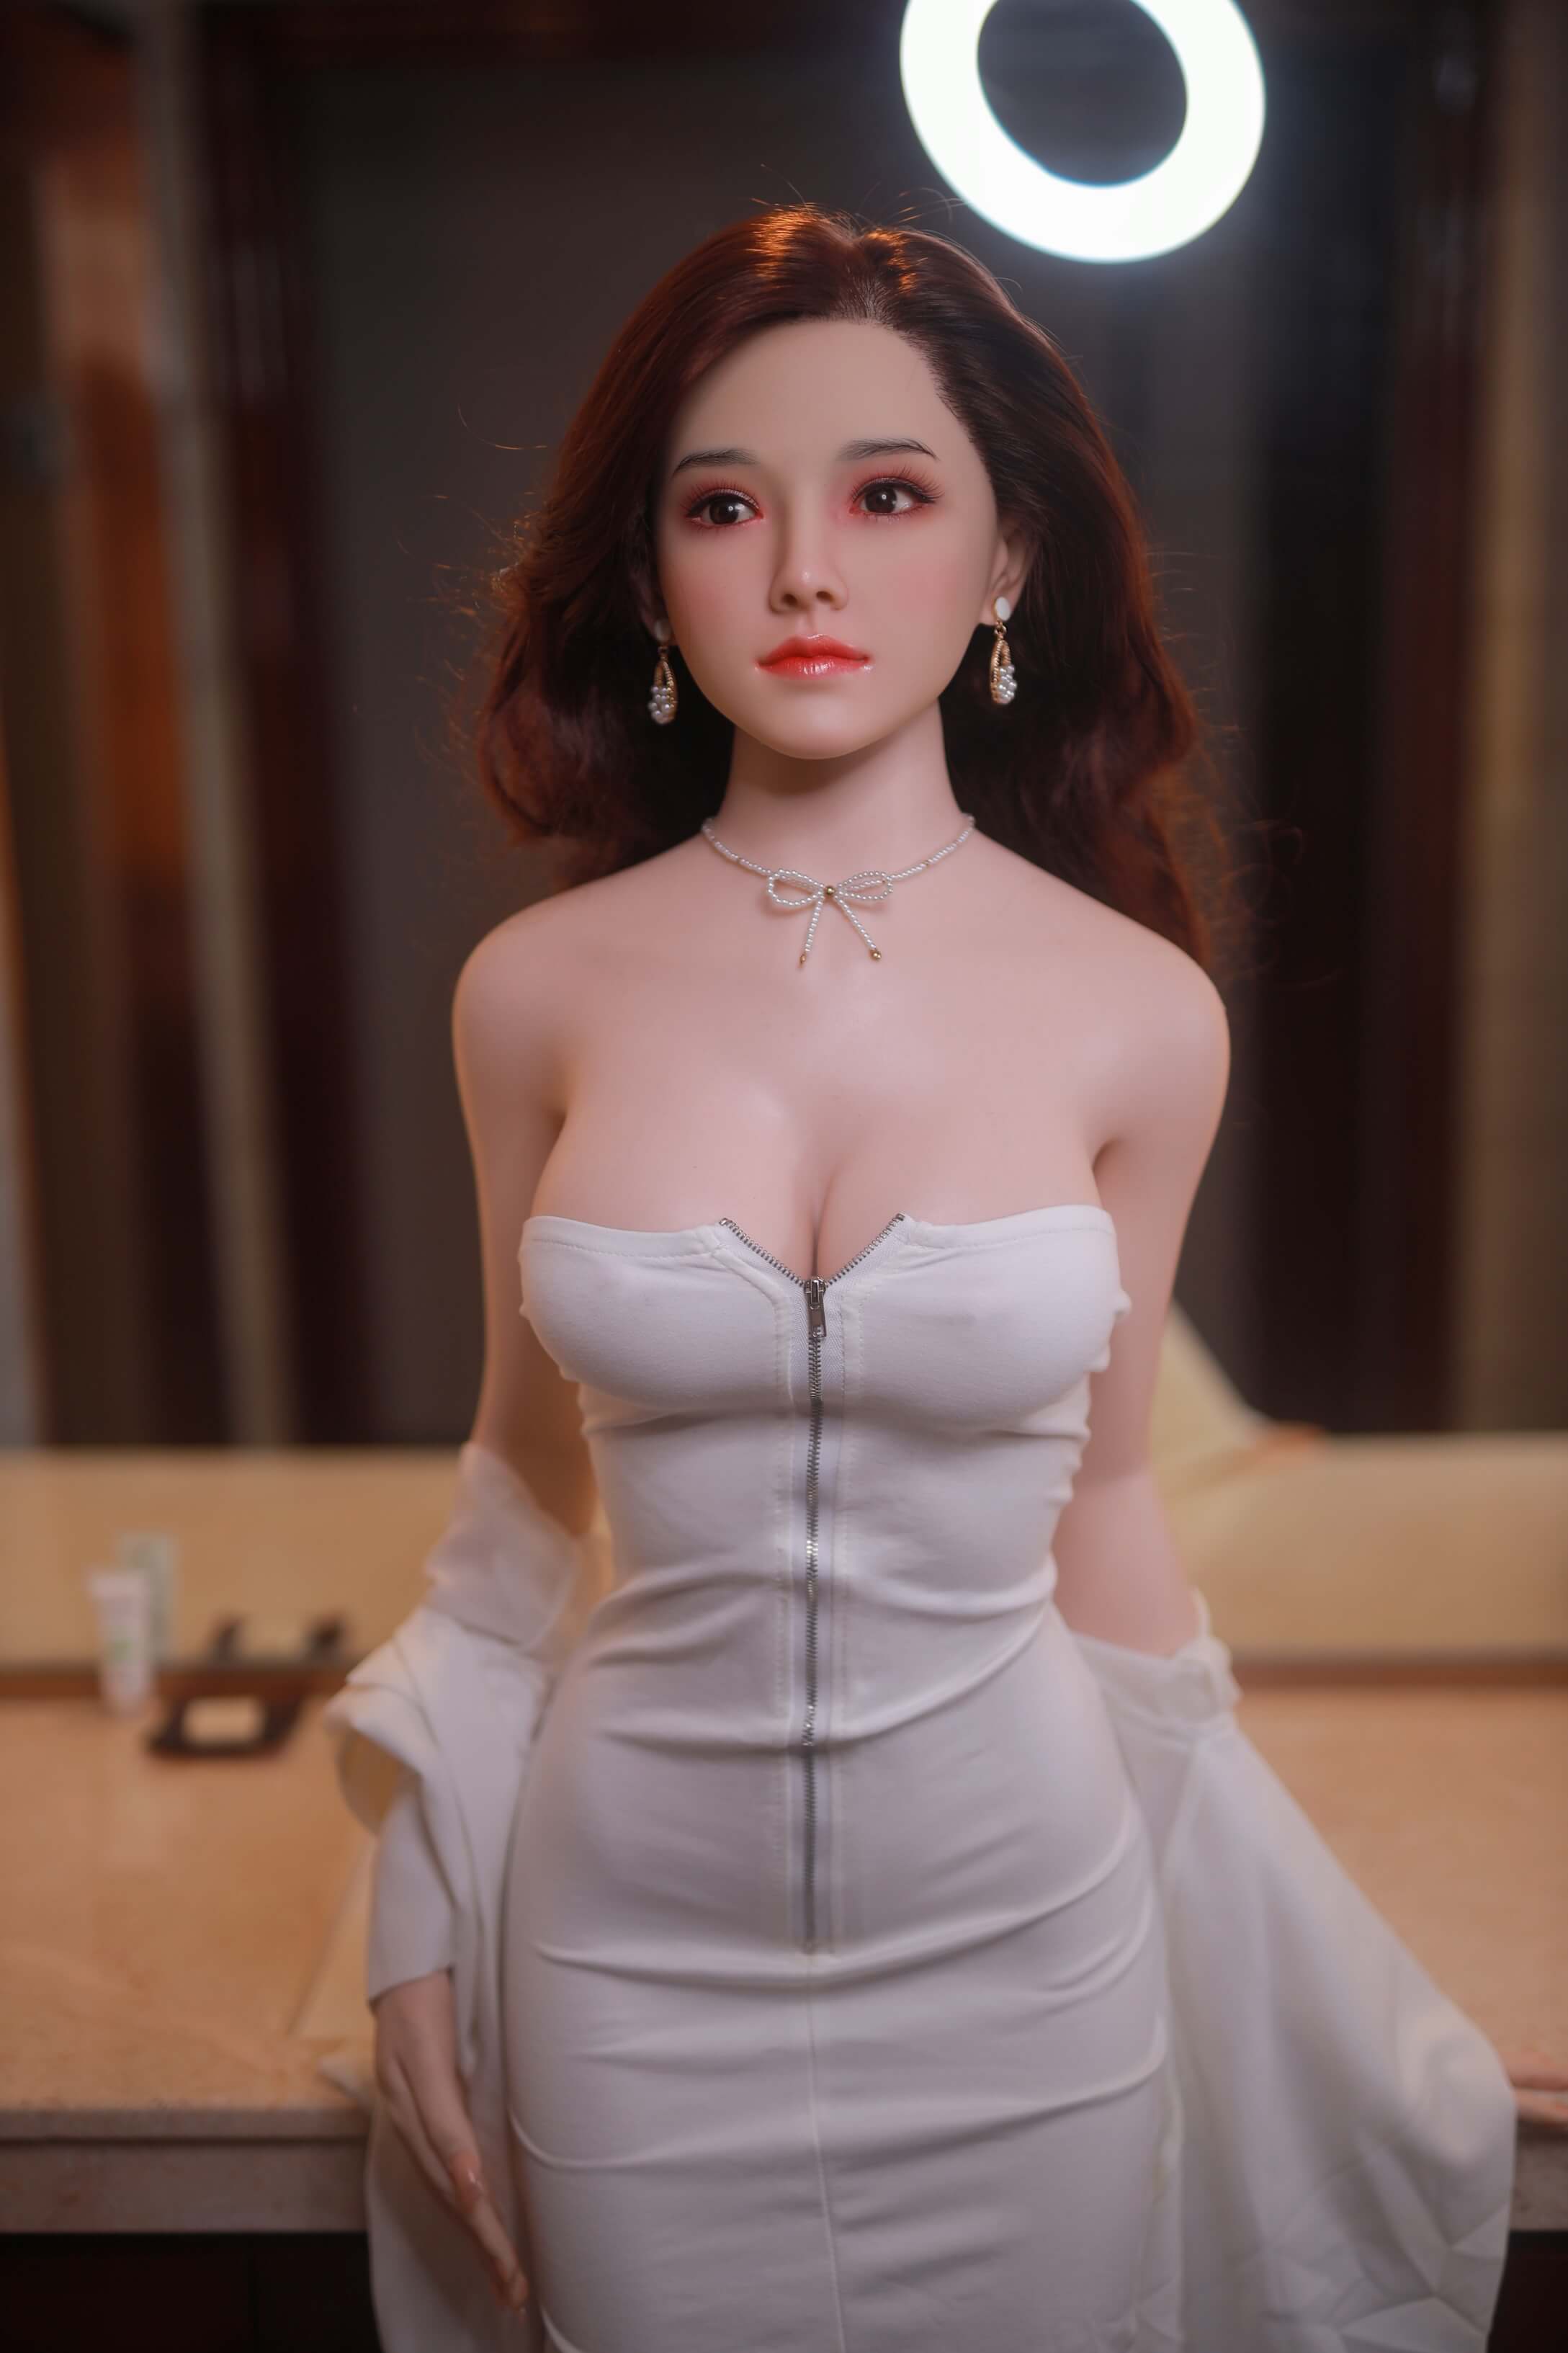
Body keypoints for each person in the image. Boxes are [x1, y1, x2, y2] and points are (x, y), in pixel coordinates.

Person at [323, 205, 1521, 2352]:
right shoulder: (534, 996)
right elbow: (519, 1494)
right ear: (648, 578)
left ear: (1006, 559)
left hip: (1027, 1958)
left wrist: (1316, 1991)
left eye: (886, 494)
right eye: (723, 506)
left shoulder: (1138, 1016)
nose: (805, 569)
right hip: (623, 1962)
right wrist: (413, 1895)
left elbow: (1109, 1515)